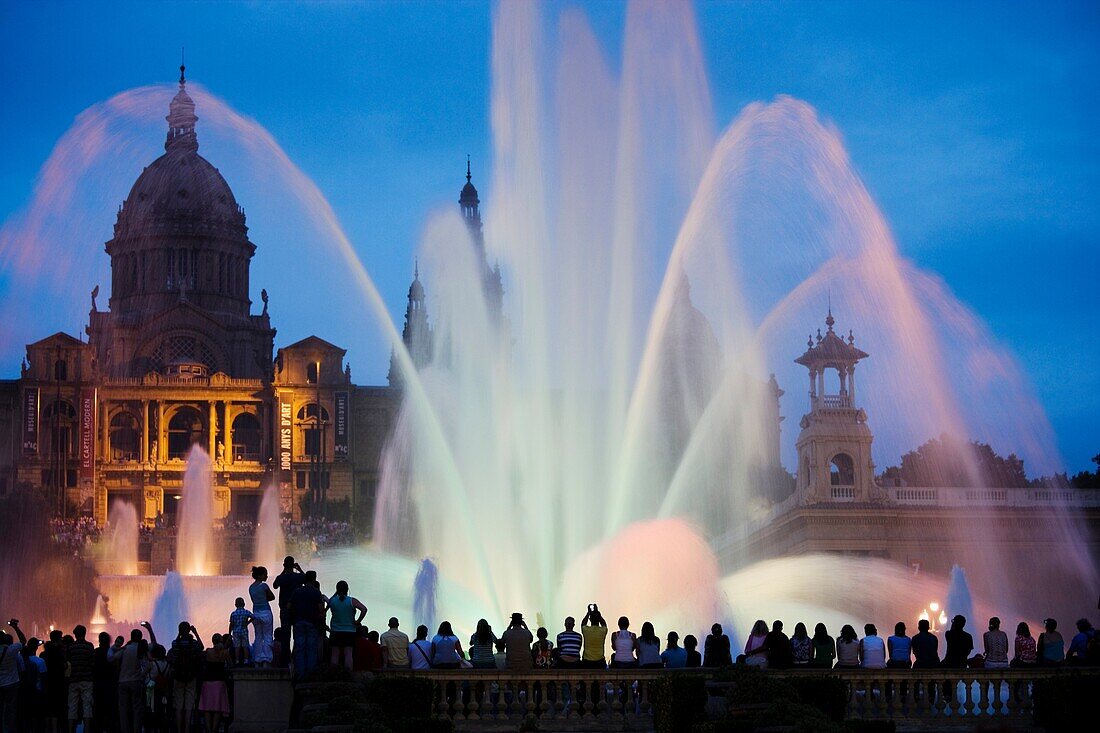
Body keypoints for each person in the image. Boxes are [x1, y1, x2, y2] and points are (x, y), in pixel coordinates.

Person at [167, 622, 204, 733]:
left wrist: (179, 634)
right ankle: (187, 729)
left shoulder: (175, 643)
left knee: (178, 706)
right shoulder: (194, 644)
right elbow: (202, 647)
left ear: (179, 630)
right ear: (189, 630)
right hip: (191, 676)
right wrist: (195, 633)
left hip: (178, 676)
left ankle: (179, 729)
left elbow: (173, 655)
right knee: (189, 706)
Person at [288, 570, 325, 678]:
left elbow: (289, 606)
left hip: (298, 622)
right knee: (311, 648)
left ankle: (300, 673)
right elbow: (321, 609)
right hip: (312, 622)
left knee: (300, 648)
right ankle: (310, 673)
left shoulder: (297, 591)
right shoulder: (316, 592)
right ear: (314, 579)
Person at [111, 628, 149, 733]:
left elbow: (113, 657)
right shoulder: (140, 649)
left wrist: (115, 647)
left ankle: (124, 730)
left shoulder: (125, 648)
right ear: (140, 638)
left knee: (123, 709)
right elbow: (148, 664)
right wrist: (142, 676)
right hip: (136, 681)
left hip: (122, 681)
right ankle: (137, 730)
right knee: (137, 708)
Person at [327, 580, 367, 670]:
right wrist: (358, 621)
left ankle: (333, 674)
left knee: (334, 654)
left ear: (336, 589)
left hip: (335, 631)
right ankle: (348, 674)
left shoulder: (332, 601)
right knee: (348, 654)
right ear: (347, 589)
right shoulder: (352, 601)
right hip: (349, 631)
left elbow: (328, 603)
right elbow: (364, 609)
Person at [197, 634, 231, 733]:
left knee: (207, 708)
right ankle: (214, 729)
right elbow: (231, 665)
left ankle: (208, 729)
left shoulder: (208, 652)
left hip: (207, 683)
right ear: (221, 641)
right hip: (219, 682)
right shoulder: (225, 652)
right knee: (217, 708)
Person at [66, 625, 96, 733]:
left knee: (72, 706)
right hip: (87, 679)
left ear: (75, 634)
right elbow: (92, 662)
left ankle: (70, 730)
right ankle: (86, 729)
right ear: (85, 633)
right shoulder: (89, 646)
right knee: (87, 706)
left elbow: (68, 663)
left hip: (73, 680)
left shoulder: (70, 647)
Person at [0, 621, 26, 733]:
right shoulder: (11, 649)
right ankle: (10, 730)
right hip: (12, 683)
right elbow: (23, 641)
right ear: (6, 640)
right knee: (11, 709)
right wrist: (16, 627)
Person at [248, 566, 276, 667]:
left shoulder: (251, 587)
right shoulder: (264, 586)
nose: (267, 576)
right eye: (265, 574)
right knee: (267, 636)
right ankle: (266, 659)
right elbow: (272, 597)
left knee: (258, 637)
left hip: (255, 613)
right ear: (260, 575)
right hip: (266, 612)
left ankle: (257, 659)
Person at [91, 631, 118, 733]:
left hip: (98, 684)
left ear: (99, 641)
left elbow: (93, 666)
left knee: (98, 708)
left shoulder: (95, 652)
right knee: (110, 708)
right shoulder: (112, 652)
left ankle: (98, 727)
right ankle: (110, 728)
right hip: (110, 684)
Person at [272, 556, 306, 636]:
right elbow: (307, 580)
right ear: (293, 565)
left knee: (285, 634)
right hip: (297, 608)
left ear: (284, 565)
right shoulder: (299, 577)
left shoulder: (281, 578)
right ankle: (296, 648)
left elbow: (275, 586)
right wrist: (300, 570)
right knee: (298, 634)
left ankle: (285, 648)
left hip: (284, 608)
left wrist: (283, 571)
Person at [143, 644, 171, 733]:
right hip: (162, 688)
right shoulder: (167, 665)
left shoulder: (152, 664)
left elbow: (142, 674)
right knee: (160, 709)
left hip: (150, 687)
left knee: (149, 708)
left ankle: (150, 727)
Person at [228, 597, 253, 667]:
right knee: (245, 646)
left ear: (235, 605)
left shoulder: (233, 613)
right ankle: (246, 660)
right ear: (244, 604)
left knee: (237, 647)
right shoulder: (246, 612)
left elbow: (231, 624)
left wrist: (229, 633)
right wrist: (248, 622)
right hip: (244, 631)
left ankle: (237, 660)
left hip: (236, 632)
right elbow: (253, 617)